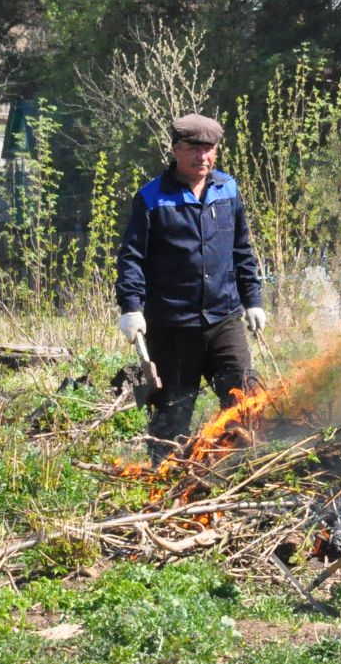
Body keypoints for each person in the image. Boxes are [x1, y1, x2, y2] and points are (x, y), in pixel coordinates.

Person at [115, 114, 268, 462]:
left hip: (224, 320)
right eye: (194, 149)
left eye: (209, 149)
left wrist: (252, 299)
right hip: (172, 328)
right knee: (171, 417)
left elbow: (242, 250)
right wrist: (131, 308)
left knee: (245, 404)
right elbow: (132, 258)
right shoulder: (152, 198)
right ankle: (165, 487)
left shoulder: (227, 189)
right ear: (176, 149)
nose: (203, 156)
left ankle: (240, 472)